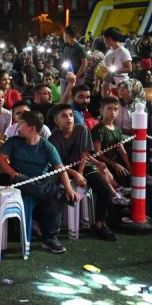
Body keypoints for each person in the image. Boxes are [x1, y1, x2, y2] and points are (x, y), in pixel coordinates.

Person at [0, 110, 79, 253]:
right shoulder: (14, 141)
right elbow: (0, 158)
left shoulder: (47, 146)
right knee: (44, 189)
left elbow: (60, 169)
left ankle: (50, 239)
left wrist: (69, 189)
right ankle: (57, 193)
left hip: (41, 182)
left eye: (21, 124)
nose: (18, 127)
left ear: (32, 128)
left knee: (52, 200)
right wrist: (12, 173)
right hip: (20, 182)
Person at [47, 103, 118, 240]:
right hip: (63, 170)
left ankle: (99, 224)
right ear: (56, 121)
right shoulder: (53, 138)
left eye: (71, 115)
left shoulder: (82, 129)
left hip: (83, 166)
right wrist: (75, 175)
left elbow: (84, 153)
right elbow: (58, 165)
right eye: (64, 116)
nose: (69, 119)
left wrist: (80, 172)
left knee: (104, 189)